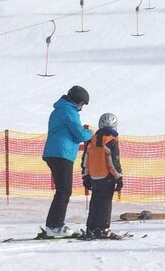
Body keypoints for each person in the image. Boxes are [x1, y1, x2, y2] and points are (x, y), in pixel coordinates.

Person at [42, 85, 93, 237]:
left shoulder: (61, 109)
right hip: (61, 154)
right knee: (64, 190)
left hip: (56, 152)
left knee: (62, 190)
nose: (82, 107)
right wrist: (90, 133)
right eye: (82, 103)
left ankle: (53, 224)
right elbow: (79, 134)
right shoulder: (69, 111)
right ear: (77, 101)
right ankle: (54, 226)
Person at [80, 112, 123, 239]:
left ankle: (91, 227)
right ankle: (103, 228)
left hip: (94, 177)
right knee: (105, 203)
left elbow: (85, 160)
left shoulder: (92, 140)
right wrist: (119, 177)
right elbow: (113, 163)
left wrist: (85, 176)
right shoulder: (111, 141)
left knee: (95, 202)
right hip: (107, 177)